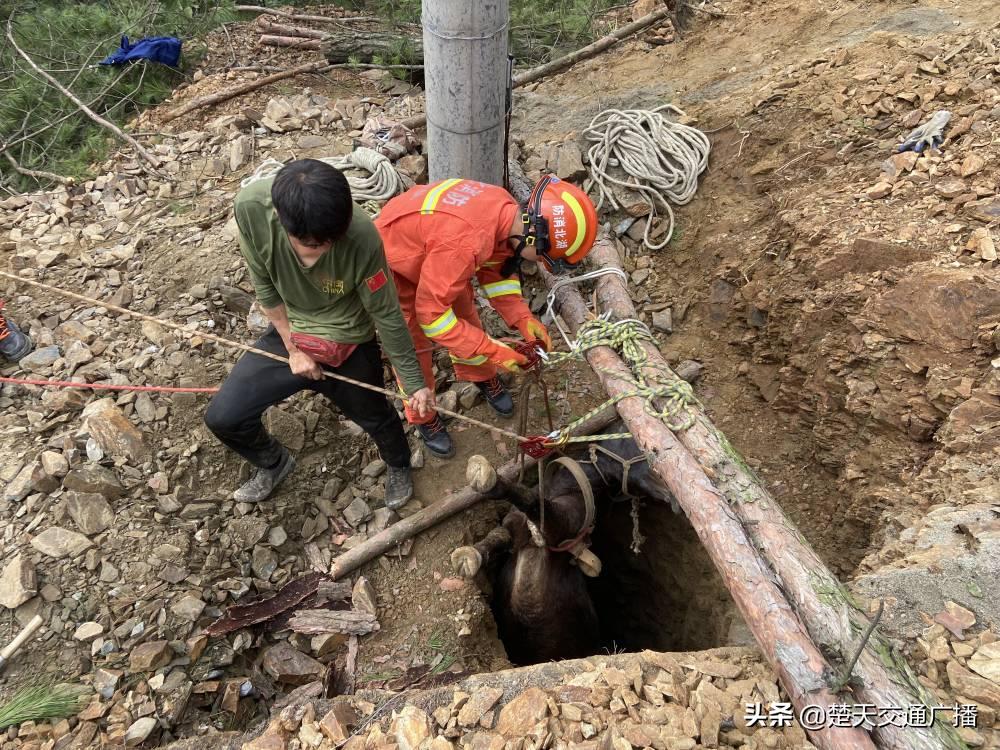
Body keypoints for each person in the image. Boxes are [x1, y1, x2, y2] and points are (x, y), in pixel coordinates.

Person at [204, 159, 434, 508]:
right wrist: (294, 349)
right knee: (223, 416)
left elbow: (386, 312)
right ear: (282, 221)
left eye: (332, 241)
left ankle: (398, 464)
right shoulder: (251, 209)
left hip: (348, 336)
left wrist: (414, 382)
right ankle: (273, 461)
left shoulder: (361, 236)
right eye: (314, 244)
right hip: (292, 329)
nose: (326, 250)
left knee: (374, 415)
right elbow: (265, 288)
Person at [375, 175, 598, 458]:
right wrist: (493, 350)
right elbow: (431, 317)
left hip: (436, 250)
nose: (539, 262)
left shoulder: (503, 210)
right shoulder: (466, 241)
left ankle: (480, 375)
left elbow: (494, 268)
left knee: (465, 315)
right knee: (412, 342)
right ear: (534, 234)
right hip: (395, 263)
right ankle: (424, 415)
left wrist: (521, 317)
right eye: (542, 257)